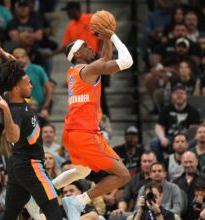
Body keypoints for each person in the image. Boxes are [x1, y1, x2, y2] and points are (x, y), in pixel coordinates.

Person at [57, 23, 133, 219]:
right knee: (123, 175)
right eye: (85, 45)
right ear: (78, 54)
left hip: (71, 133)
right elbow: (127, 61)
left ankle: (46, 187)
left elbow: (105, 60)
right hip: (84, 134)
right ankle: (77, 200)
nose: (90, 46)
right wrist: (112, 36)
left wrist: (106, 39)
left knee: (82, 171)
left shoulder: (75, 72)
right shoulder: (88, 70)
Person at [0, 50, 62, 219]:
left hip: (17, 165)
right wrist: (5, 110)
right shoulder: (15, 110)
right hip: (31, 165)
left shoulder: (16, 97)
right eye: (28, 84)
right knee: (53, 209)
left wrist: (13, 63)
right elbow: (12, 137)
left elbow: (16, 79)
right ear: (17, 88)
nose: (32, 86)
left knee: (11, 214)